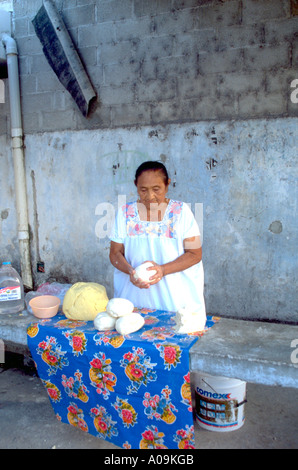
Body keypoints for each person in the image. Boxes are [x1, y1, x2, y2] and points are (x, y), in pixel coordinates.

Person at [109, 161, 206, 320]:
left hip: (175, 303)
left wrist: (162, 270)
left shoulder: (181, 212)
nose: (150, 196)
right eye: (143, 190)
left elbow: (195, 254)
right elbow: (115, 253)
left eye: (156, 189)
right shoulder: (125, 213)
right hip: (134, 301)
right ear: (136, 185)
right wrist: (131, 272)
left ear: (167, 185)